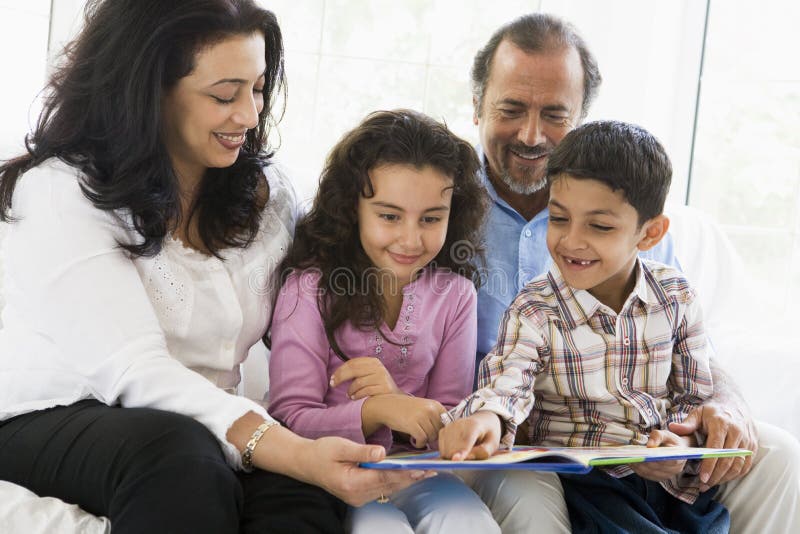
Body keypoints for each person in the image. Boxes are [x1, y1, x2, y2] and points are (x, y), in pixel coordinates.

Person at [0, 2, 426, 533]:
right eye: (224, 95)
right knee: (183, 456)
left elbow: (325, 297)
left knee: (297, 489)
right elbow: (135, 372)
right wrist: (281, 446)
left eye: (259, 88)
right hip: (59, 413)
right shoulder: (60, 192)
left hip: (208, 422)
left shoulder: (267, 194)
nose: (249, 114)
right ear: (147, 92)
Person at [465, 12, 800, 533]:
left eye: (555, 114)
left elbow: (692, 363)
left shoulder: (652, 252)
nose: (532, 134)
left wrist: (711, 413)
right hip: (523, 437)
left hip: (645, 446)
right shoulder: (439, 211)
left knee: (779, 454)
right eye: (511, 109)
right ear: (477, 107)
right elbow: (501, 386)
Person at [441, 120, 730, 533]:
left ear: (650, 234)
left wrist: (681, 446)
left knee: (710, 522)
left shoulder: (676, 297)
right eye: (559, 219)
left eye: (599, 226)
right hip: (585, 479)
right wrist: (485, 420)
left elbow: (693, 397)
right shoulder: (536, 307)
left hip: (661, 485)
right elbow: (507, 384)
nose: (571, 240)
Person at [268, 109, 500, 534]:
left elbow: (447, 420)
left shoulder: (456, 296)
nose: (411, 239)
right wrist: (376, 411)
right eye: (389, 216)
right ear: (351, 208)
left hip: (421, 473)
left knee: (469, 520)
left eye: (431, 218)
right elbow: (290, 417)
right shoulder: (308, 289)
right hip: (337, 474)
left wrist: (405, 406)